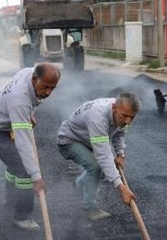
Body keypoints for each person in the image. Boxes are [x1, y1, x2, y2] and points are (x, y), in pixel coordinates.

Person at [0, 62, 61, 230]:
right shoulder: (19, 100)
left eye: (53, 88)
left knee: (15, 163)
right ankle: (22, 216)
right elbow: (24, 142)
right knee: (25, 168)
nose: (48, 92)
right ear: (34, 79)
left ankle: (10, 202)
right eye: (45, 87)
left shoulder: (29, 72)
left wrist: (28, 114)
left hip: (4, 121)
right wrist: (36, 178)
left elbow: (29, 102)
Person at [57, 92, 140, 221]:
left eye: (132, 117)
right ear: (114, 107)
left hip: (86, 140)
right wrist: (121, 187)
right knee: (95, 167)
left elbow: (119, 134)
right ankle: (89, 208)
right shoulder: (98, 117)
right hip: (69, 141)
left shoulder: (122, 112)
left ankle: (79, 185)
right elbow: (103, 155)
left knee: (100, 170)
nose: (128, 121)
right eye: (125, 116)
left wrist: (120, 154)